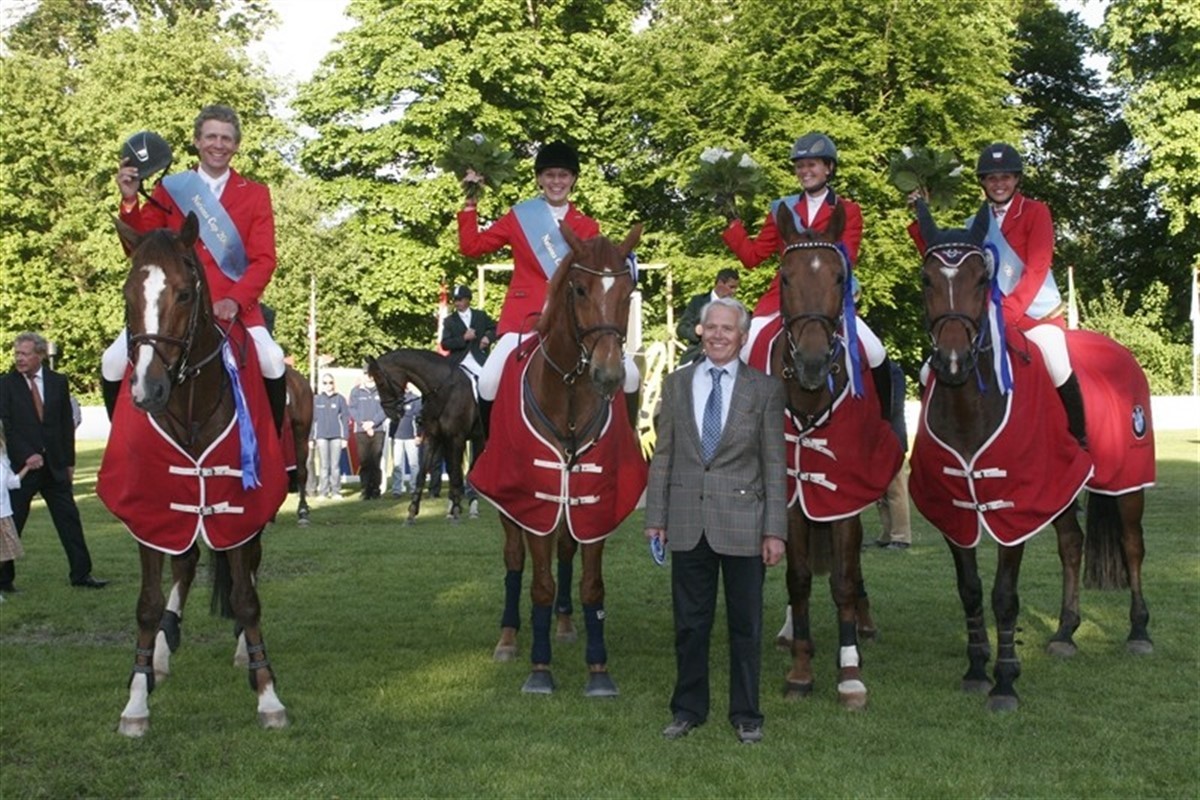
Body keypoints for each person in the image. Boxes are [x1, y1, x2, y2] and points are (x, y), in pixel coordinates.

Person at [644, 298, 787, 745]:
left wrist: (775, 530)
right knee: (689, 625)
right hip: (688, 521)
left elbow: (774, 464)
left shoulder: (765, 389)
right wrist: (656, 518)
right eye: (712, 327)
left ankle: (746, 715)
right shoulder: (677, 383)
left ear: (742, 337)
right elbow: (663, 455)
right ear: (700, 332)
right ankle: (687, 709)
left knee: (746, 626)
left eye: (728, 328)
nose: (719, 335)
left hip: (745, 524)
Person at [108, 104, 287, 433]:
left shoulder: (255, 194)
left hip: (235, 306)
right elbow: (141, 248)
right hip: (173, 306)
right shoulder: (172, 188)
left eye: (226, 138)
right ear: (197, 141)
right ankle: (122, 440)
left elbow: (264, 259)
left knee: (273, 360)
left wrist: (235, 300)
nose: (218, 144)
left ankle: (272, 443)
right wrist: (130, 201)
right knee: (112, 361)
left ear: (236, 145)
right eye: (211, 137)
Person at [907, 142, 1086, 447]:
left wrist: (1009, 314)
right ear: (983, 182)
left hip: (1036, 318)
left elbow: (1037, 267)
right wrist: (919, 216)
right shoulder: (975, 224)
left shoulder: (1036, 212)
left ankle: (1079, 437)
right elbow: (945, 262)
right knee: (928, 373)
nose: (999, 184)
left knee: (1057, 364)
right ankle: (936, 442)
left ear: (1016, 179)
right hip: (990, 321)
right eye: (992, 178)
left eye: (1005, 177)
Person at [457, 141, 640, 419]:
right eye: (550, 175)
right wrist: (471, 202)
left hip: (573, 323)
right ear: (539, 179)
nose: (557, 182)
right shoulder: (520, 216)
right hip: (523, 319)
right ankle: (491, 441)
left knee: (632, 376)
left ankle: (628, 438)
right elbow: (472, 246)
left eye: (563, 175)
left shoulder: (588, 226)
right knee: (489, 380)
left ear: (573, 179)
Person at [720, 132, 885, 370]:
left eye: (811, 165)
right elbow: (752, 257)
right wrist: (732, 223)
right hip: (785, 297)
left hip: (829, 299)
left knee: (876, 352)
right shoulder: (782, 209)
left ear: (828, 168)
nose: (804, 171)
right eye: (800, 166)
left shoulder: (848, 210)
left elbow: (847, 258)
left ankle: (885, 397)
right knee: (745, 347)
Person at [0, 333, 107, 590]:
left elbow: (64, 425)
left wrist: (69, 462)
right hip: (23, 469)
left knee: (69, 521)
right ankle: (4, 580)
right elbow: (7, 427)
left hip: (55, 467)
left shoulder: (58, 381)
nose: (19, 359)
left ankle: (81, 575)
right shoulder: (5, 385)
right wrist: (27, 455)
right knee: (12, 524)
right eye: (17, 354)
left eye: (25, 354)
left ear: (40, 355)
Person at [873, 360, 912, 550]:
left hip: (892, 436)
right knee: (881, 491)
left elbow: (893, 406)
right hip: (876, 436)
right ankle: (888, 533)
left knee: (896, 489)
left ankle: (902, 536)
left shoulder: (892, 371)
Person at [676, 268, 739, 365]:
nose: (734, 291)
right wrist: (696, 331)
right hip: (696, 357)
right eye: (731, 287)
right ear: (720, 283)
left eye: (735, 288)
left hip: (725, 359)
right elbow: (681, 329)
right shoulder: (697, 301)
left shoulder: (736, 308)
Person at [0, 421, 33, 593]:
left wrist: (27, 467)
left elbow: (11, 482)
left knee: (8, 552)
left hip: (4, 513)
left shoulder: (3, 460)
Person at [440, 285, 496, 381]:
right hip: (459, 360)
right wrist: (464, 338)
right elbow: (445, 344)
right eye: (455, 300)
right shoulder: (449, 320)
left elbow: (496, 328)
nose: (457, 303)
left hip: (479, 357)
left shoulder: (480, 316)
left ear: (467, 299)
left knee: (490, 379)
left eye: (459, 300)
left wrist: (488, 338)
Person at [349, 369, 387, 500]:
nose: (369, 376)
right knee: (364, 461)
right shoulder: (356, 391)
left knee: (375, 461)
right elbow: (352, 409)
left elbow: (385, 409)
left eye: (371, 373)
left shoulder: (382, 390)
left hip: (378, 430)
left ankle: (376, 489)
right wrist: (364, 424)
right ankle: (365, 489)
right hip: (361, 430)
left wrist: (373, 423)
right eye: (366, 373)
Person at [311, 373, 349, 500]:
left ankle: (336, 492)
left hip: (336, 437)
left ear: (334, 384)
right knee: (323, 466)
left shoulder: (340, 399)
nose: (328, 385)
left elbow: (345, 419)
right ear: (322, 384)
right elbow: (313, 420)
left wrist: (345, 438)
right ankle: (323, 492)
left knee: (335, 466)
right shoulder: (316, 400)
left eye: (330, 382)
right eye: (325, 383)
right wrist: (311, 438)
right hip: (321, 436)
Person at [390, 388, 422, 497]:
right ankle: (397, 489)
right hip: (397, 437)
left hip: (411, 437)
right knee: (397, 465)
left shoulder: (415, 399)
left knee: (414, 465)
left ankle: (414, 488)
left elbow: (419, 418)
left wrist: (418, 435)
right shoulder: (395, 398)